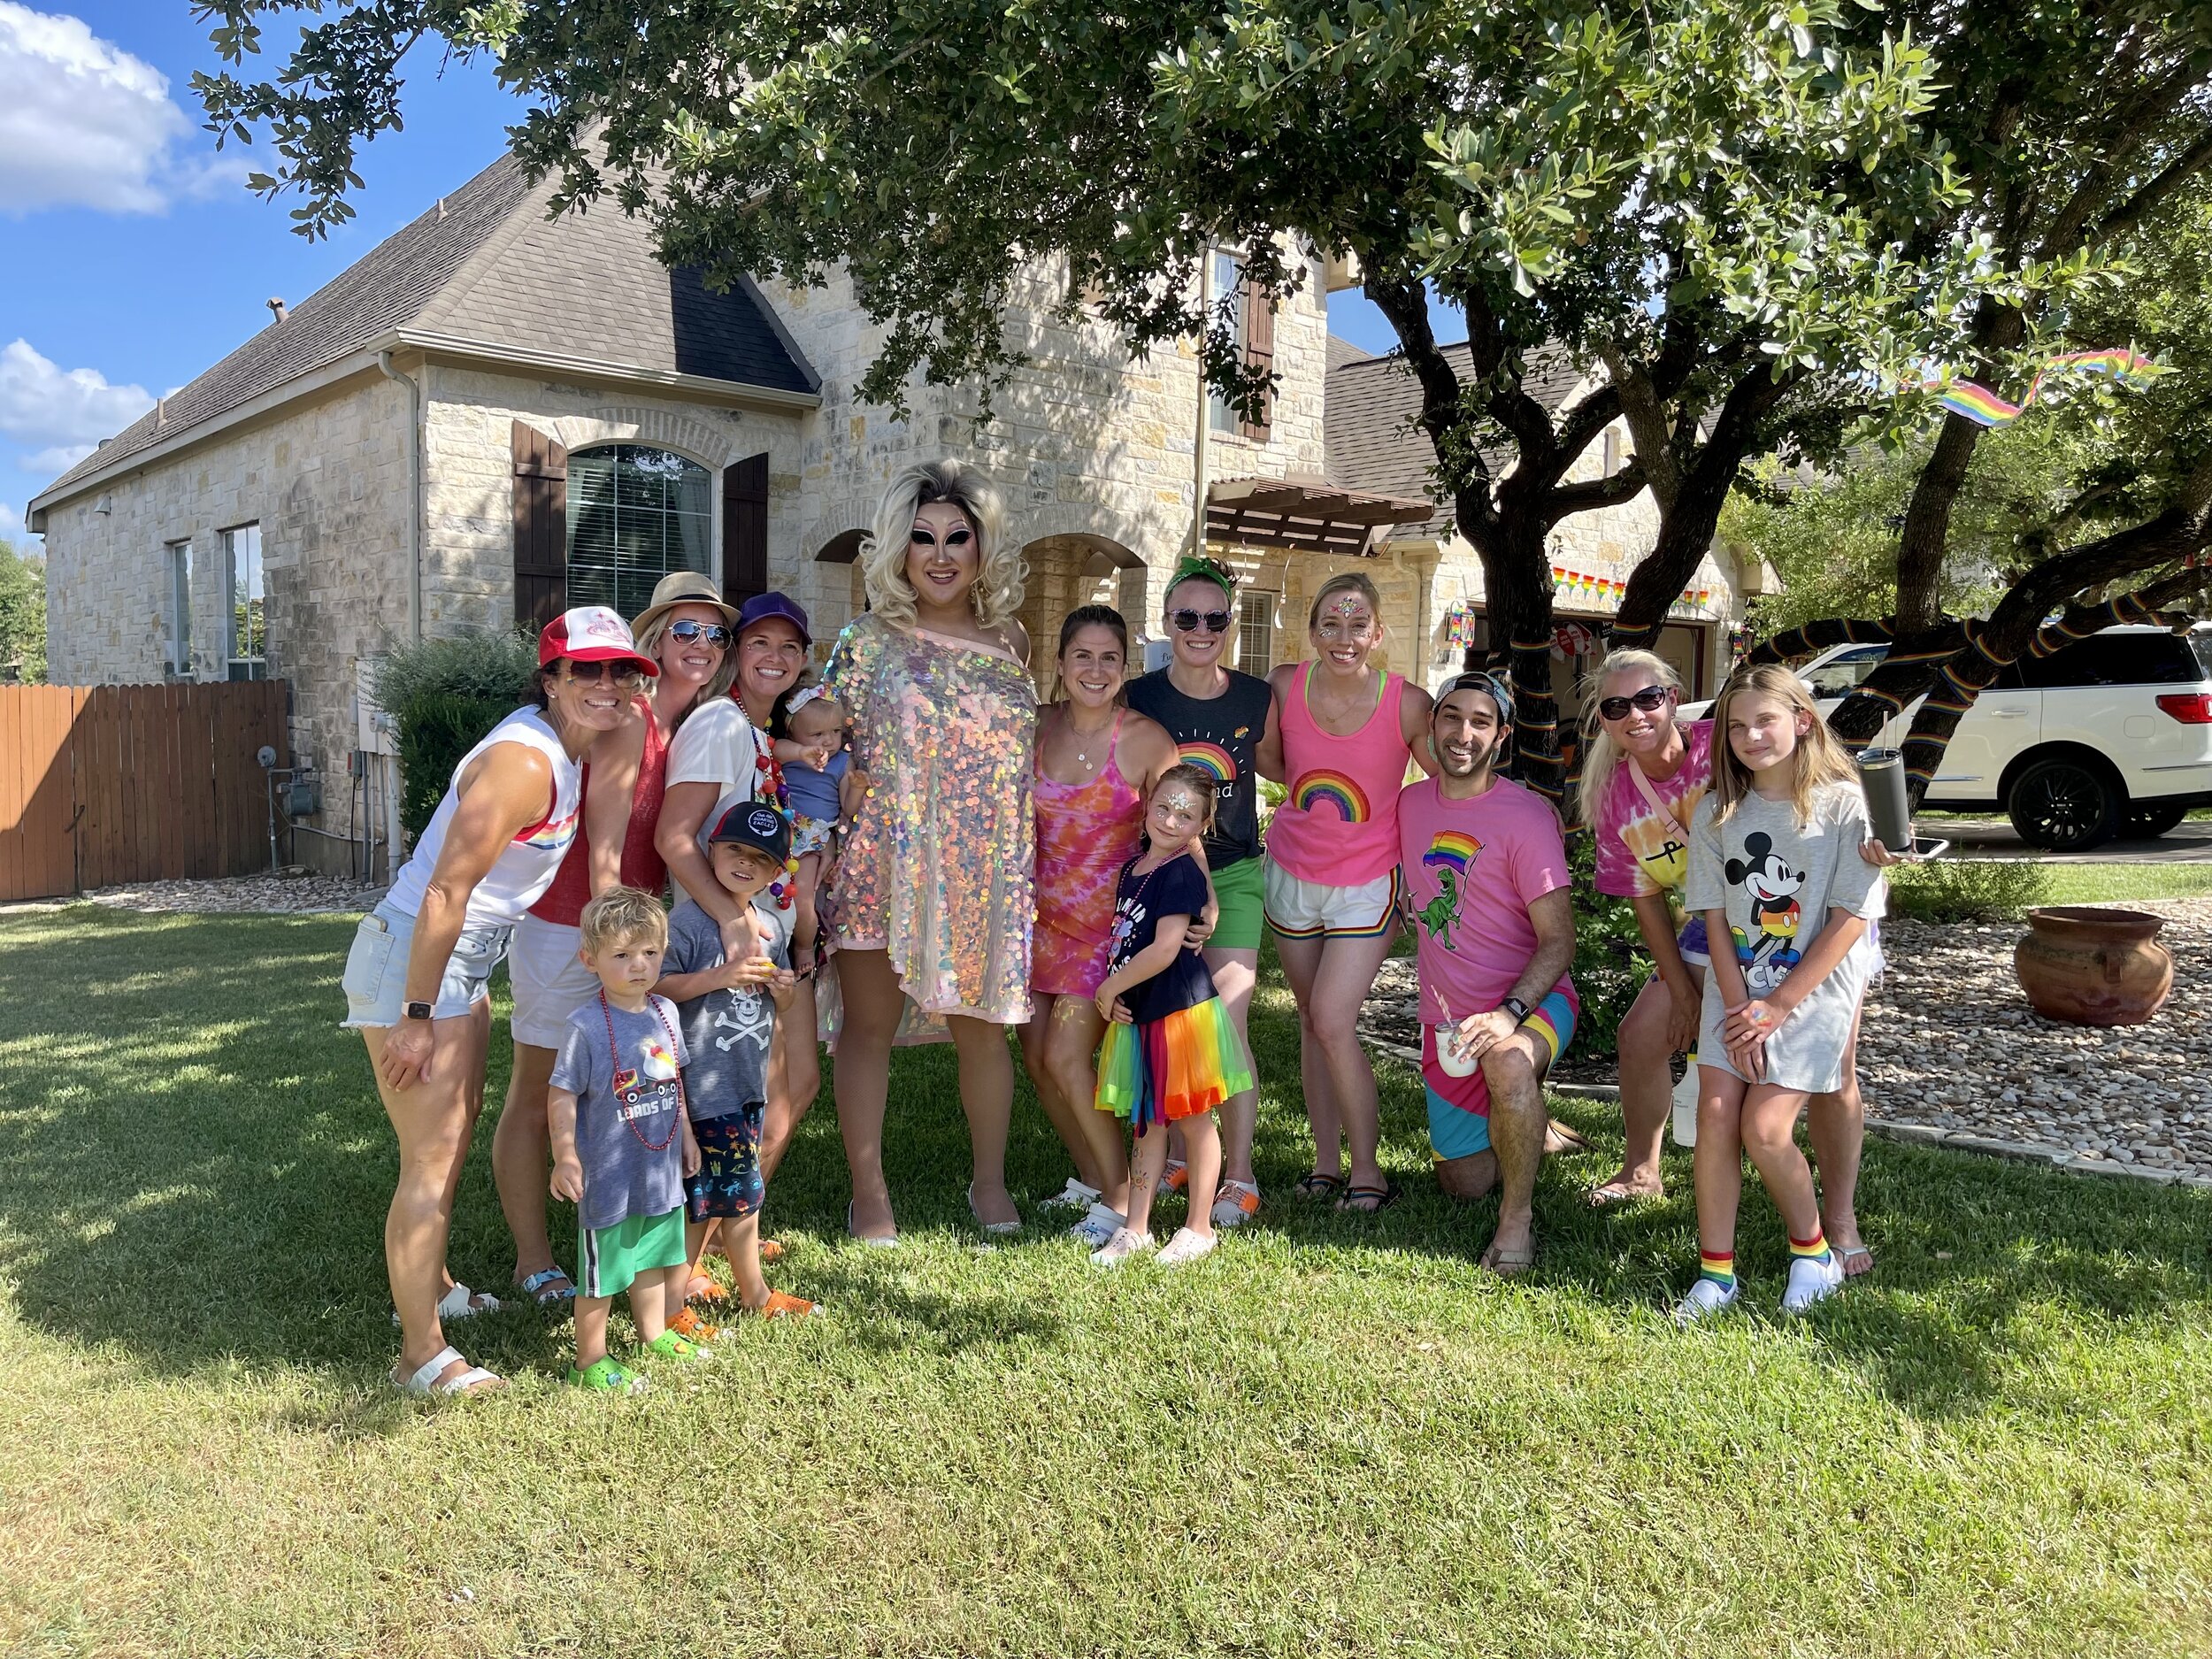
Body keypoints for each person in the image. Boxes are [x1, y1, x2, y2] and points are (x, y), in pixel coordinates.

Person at [342, 605, 650, 1396]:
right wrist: (415, 1017)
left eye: (623, 670)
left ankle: (437, 1287)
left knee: (452, 1136)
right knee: (430, 1161)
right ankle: (422, 1354)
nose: (608, 685)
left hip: (460, 967)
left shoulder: (572, 748)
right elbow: (447, 887)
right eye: (588, 671)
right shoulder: (525, 763)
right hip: (417, 964)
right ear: (550, 679)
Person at [1578, 648, 1879, 1279]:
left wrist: (1882, 842)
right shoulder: (1618, 796)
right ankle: (1644, 1172)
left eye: (1648, 698)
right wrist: (1690, 995)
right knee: (1645, 1037)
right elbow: (1652, 903)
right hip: (1721, 934)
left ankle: (1839, 1219)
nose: (1635, 714)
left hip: (1819, 928)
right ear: (1602, 720)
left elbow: (1828, 801)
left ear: (1674, 695)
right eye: (1616, 706)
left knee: (1833, 1073)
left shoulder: (1726, 733)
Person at [494, 570, 735, 1306]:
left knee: (626, 1092)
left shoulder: (689, 722)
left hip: (619, 936)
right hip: (572, 929)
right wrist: (612, 954)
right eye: (685, 629)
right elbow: (604, 847)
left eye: (715, 632)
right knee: (541, 1092)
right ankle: (532, 1259)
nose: (702, 643)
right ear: (655, 638)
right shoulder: (631, 716)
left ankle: (630, 1251)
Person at [823, 459, 1035, 1242]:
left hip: (985, 868)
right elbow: (824, 749)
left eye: (958, 537)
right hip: (884, 858)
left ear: (984, 547)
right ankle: (870, 1191)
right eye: (921, 538)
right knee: (868, 1028)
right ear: (897, 549)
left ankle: (989, 1180)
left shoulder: (1010, 639)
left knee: (984, 1026)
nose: (940, 555)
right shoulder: (864, 641)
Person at [1677, 664, 1887, 1322]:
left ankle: (1812, 1251)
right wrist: (1741, 1008)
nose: (1750, 735)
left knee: (1765, 1126)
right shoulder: (1716, 810)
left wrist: (1778, 1006)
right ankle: (1716, 1273)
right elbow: (1713, 917)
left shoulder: (1848, 803)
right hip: (1737, 989)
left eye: (1764, 720)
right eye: (1736, 726)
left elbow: (1852, 915)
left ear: (1801, 720)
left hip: (1811, 991)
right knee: (1716, 1112)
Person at [1256, 570, 1435, 1212]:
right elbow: (1273, 762)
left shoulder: (1407, 702)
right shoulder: (1284, 685)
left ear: (1378, 632)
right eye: (1330, 624)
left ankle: (1370, 1172)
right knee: (1311, 1022)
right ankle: (1325, 1165)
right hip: (1292, 872)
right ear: (1310, 631)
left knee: (1334, 1018)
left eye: (1358, 625)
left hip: (1367, 882)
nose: (1344, 637)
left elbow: (1447, 783)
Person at [655, 589, 817, 1282]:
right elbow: (673, 836)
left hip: (769, 938)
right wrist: (731, 919)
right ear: (736, 654)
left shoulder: (756, 731)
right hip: (728, 941)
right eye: (758, 643)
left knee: (788, 1091)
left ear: (804, 660)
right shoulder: (720, 723)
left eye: (789, 646)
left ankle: (725, 1231)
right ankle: (689, 1258)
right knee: (739, 1104)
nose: (773, 657)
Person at [1397, 673, 1578, 1274]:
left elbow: (1559, 942)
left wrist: (1510, 1013)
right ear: (1432, 726)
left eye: (1480, 721)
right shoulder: (1410, 804)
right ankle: (1530, 1121)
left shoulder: (1525, 818)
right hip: (1447, 1020)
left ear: (1500, 735)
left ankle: (1517, 1219)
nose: (1462, 733)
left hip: (1534, 999)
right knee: (1462, 1182)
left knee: (1508, 1061)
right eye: (1451, 717)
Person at [1020, 604, 1185, 1248]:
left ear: (1126, 666)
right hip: (1034, 923)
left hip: (1109, 932)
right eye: (1081, 656)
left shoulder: (1145, 739)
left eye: (1108, 657)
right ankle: (1091, 1177)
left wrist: (1196, 904)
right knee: (1036, 1059)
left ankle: (1122, 1199)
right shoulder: (1033, 728)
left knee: (1067, 1056)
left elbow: (1181, 825)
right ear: (1059, 665)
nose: (1095, 668)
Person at [1124, 554, 1277, 1228]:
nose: (1201, 628)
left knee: (1227, 1020)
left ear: (1231, 625)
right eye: (1187, 616)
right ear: (1165, 622)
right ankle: (1182, 1152)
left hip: (1233, 874)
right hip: (1159, 877)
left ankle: (1237, 1174)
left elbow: (1274, 767)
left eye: (1215, 618)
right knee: (1161, 1021)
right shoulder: (1140, 697)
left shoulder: (1253, 697)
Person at [655, 799, 816, 1331]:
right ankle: (673, 1306)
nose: (744, 864)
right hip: (702, 1088)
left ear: (775, 874)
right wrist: (718, 977)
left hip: (745, 1085)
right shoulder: (688, 924)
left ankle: (753, 1294)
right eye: (734, 851)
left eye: (760, 859)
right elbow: (655, 987)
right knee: (704, 1203)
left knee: (741, 1195)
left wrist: (785, 990)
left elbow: (782, 1004)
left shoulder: (769, 924)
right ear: (711, 851)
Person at [1088, 764, 1256, 1267]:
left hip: (1179, 1015)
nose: (1170, 819)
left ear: (1202, 826)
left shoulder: (1181, 871)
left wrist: (1109, 987)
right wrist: (1121, 996)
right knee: (1146, 1122)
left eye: (1186, 814)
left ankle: (1198, 1228)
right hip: (1142, 1013)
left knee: (1192, 1120)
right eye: (1163, 806)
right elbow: (1128, 942)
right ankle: (1136, 1227)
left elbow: (1164, 949)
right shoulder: (1134, 868)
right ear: (1146, 806)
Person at [547, 887, 707, 1391]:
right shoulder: (585, 1026)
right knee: (603, 1275)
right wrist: (565, 1156)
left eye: (650, 953)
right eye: (622, 955)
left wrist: (686, 1135)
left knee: (656, 1258)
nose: (639, 965)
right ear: (590, 959)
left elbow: (673, 1079)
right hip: (610, 1178)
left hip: (658, 1169)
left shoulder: (664, 1011)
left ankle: (651, 1331)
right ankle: (590, 1360)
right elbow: (560, 1094)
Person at [768, 683, 857, 975]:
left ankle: (804, 945)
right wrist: (801, 751)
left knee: (804, 894)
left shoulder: (842, 761)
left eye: (835, 731)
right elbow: (774, 749)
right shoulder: (788, 749)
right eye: (817, 734)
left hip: (811, 835)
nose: (829, 741)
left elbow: (848, 807)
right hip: (779, 826)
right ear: (792, 730)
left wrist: (857, 788)